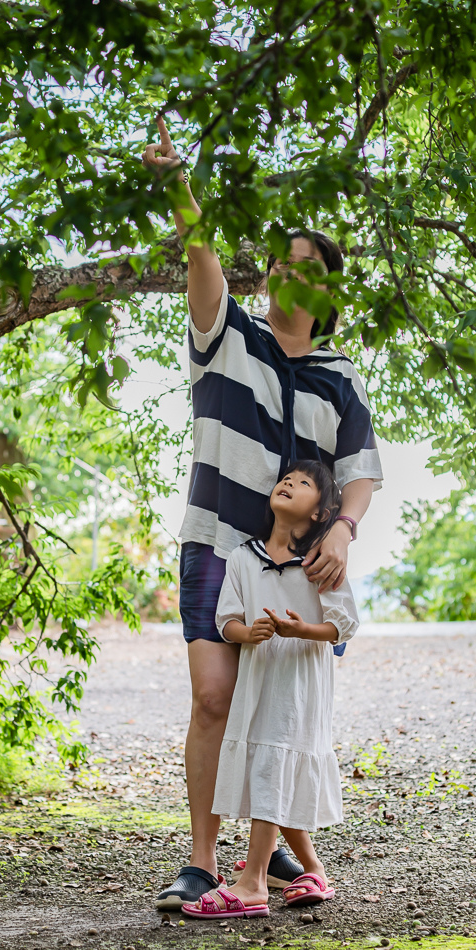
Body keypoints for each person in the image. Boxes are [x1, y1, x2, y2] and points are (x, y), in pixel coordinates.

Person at [144, 118, 383, 910]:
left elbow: (358, 476)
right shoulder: (226, 337)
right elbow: (202, 260)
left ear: (329, 291)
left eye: (306, 266)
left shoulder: (340, 380)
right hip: (217, 544)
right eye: (278, 261)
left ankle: (276, 849)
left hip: (296, 571)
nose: (286, 271)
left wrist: (342, 531)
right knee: (216, 698)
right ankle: (206, 863)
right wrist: (179, 185)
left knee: (276, 709)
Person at [182, 461, 359, 919]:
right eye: (287, 479)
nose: (289, 483)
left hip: (300, 685)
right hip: (259, 680)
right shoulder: (243, 557)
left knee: (275, 765)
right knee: (271, 769)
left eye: (303, 484)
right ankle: (314, 869)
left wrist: (303, 631)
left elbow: (344, 624)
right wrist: (249, 634)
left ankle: (253, 882)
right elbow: (226, 620)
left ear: (320, 512)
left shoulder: (323, 559)